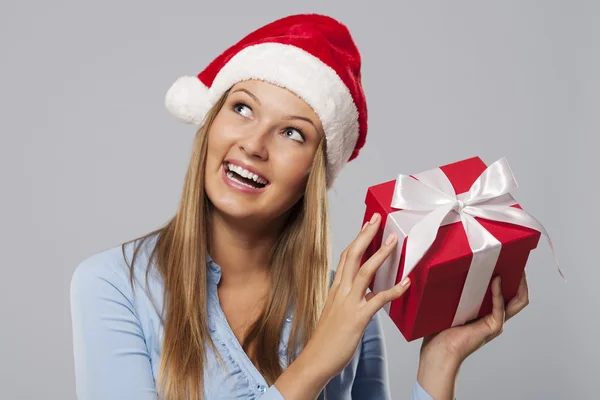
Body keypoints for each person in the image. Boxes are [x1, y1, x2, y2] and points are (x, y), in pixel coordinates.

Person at [70, 13, 530, 400]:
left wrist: (440, 361)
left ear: (315, 172)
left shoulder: (348, 305)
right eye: (242, 109)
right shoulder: (115, 286)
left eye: (292, 133)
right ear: (209, 125)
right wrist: (318, 362)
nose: (252, 144)